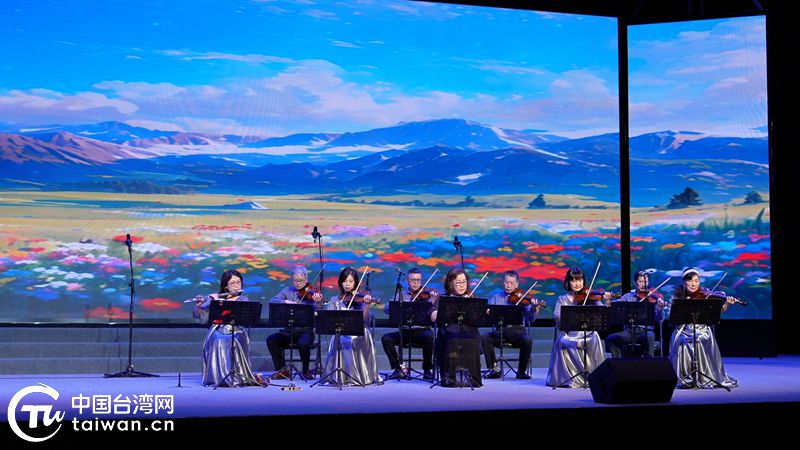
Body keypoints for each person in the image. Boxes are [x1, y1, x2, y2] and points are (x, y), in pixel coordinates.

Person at [669, 267, 738, 389]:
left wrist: (727, 304)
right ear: (684, 282)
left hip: (702, 329)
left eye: (696, 281)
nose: (693, 284)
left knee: (699, 338)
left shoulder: (706, 295)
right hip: (683, 329)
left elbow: (715, 314)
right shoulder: (677, 296)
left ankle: (704, 376)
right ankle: (685, 378)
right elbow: (672, 317)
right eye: (690, 281)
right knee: (682, 341)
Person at [193, 269, 261, 387]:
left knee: (233, 339)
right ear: (226, 286)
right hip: (218, 329)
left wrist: (218, 301)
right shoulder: (216, 298)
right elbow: (202, 318)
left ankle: (236, 376)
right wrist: (199, 306)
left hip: (237, 330)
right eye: (233, 283)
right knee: (217, 339)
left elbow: (244, 320)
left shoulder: (243, 299)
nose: (236, 285)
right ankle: (217, 377)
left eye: (238, 282)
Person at [545, 267, 610, 388]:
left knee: (595, 335)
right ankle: (568, 378)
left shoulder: (590, 296)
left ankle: (594, 375)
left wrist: (606, 301)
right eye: (573, 281)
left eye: (579, 280)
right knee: (562, 340)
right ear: (568, 282)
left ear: (583, 281)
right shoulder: (562, 299)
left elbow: (602, 311)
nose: (577, 284)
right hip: (570, 333)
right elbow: (556, 315)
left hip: (587, 332)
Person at [321, 267, 382, 386]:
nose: (347, 284)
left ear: (355, 283)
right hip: (341, 331)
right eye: (345, 281)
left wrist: (366, 305)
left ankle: (354, 377)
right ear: (340, 283)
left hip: (359, 331)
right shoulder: (335, 300)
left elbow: (364, 320)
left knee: (350, 339)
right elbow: (329, 318)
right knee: (340, 338)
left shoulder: (360, 299)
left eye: (350, 281)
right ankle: (338, 375)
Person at [482, 270, 541, 380]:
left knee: (528, 340)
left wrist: (534, 309)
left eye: (511, 283)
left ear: (517, 284)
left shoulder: (523, 299)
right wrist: (488, 314)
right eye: (506, 282)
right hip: (501, 331)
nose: (508, 285)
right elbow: (490, 318)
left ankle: (521, 371)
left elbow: (530, 319)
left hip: (517, 332)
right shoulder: (496, 297)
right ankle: (494, 369)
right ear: (503, 282)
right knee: (485, 337)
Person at [267, 266, 324, 380]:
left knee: (303, 343)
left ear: (306, 279)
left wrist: (318, 303)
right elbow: (272, 301)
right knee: (271, 340)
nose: (298, 283)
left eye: (301, 280)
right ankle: (282, 370)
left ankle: (306, 370)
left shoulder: (312, 293)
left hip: (305, 331)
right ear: (291, 280)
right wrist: (285, 301)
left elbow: (318, 312)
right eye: (295, 280)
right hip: (288, 331)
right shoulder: (286, 291)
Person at [429, 268, 483, 387]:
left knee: (473, 337)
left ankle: (473, 378)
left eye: (464, 282)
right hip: (450, 334)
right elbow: (433, 316)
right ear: (450, 283)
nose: (462, 285)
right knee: (451, 338)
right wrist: (441, 312)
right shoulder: (443, 299)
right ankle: (450, 378)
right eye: (458, 282)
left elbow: (480, 317)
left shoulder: (471, 298)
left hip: (468, 334)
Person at [382, 268, 438, 380]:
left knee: (429, 336)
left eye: (418, 280)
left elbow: (433, 317)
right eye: (412, 280)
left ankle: (427, 369)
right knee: (386, 338)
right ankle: (398, 368)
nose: (415, 283)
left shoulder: (428, 296)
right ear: (407, 281)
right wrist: (397, 301)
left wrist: (433, 301)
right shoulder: (401, 295)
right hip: (405, 331)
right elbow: (386, 309)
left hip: (422, 331)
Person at [606, 270, 665, 358]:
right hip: (630, 332)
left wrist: (660, 309)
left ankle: (649, 364)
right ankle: (618, 362)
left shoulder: (653, 297)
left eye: (646, 282)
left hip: (646, 332)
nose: (644, 284)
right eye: (641, 282)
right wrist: (608, 301)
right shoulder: (628, 297)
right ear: (635, 283)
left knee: (650, 337)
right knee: (611, 339)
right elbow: (615, 307)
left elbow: (659, 319)